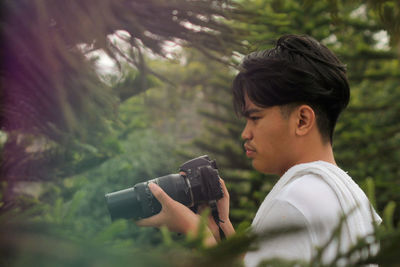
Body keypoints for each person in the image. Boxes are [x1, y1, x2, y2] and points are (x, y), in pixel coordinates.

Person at [136, 34, 381, 265]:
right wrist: (219, 230)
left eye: (255, 118)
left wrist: (197, 233)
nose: (246, 133)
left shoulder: (295, 201)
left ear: (302, 120)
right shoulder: (347, 195)